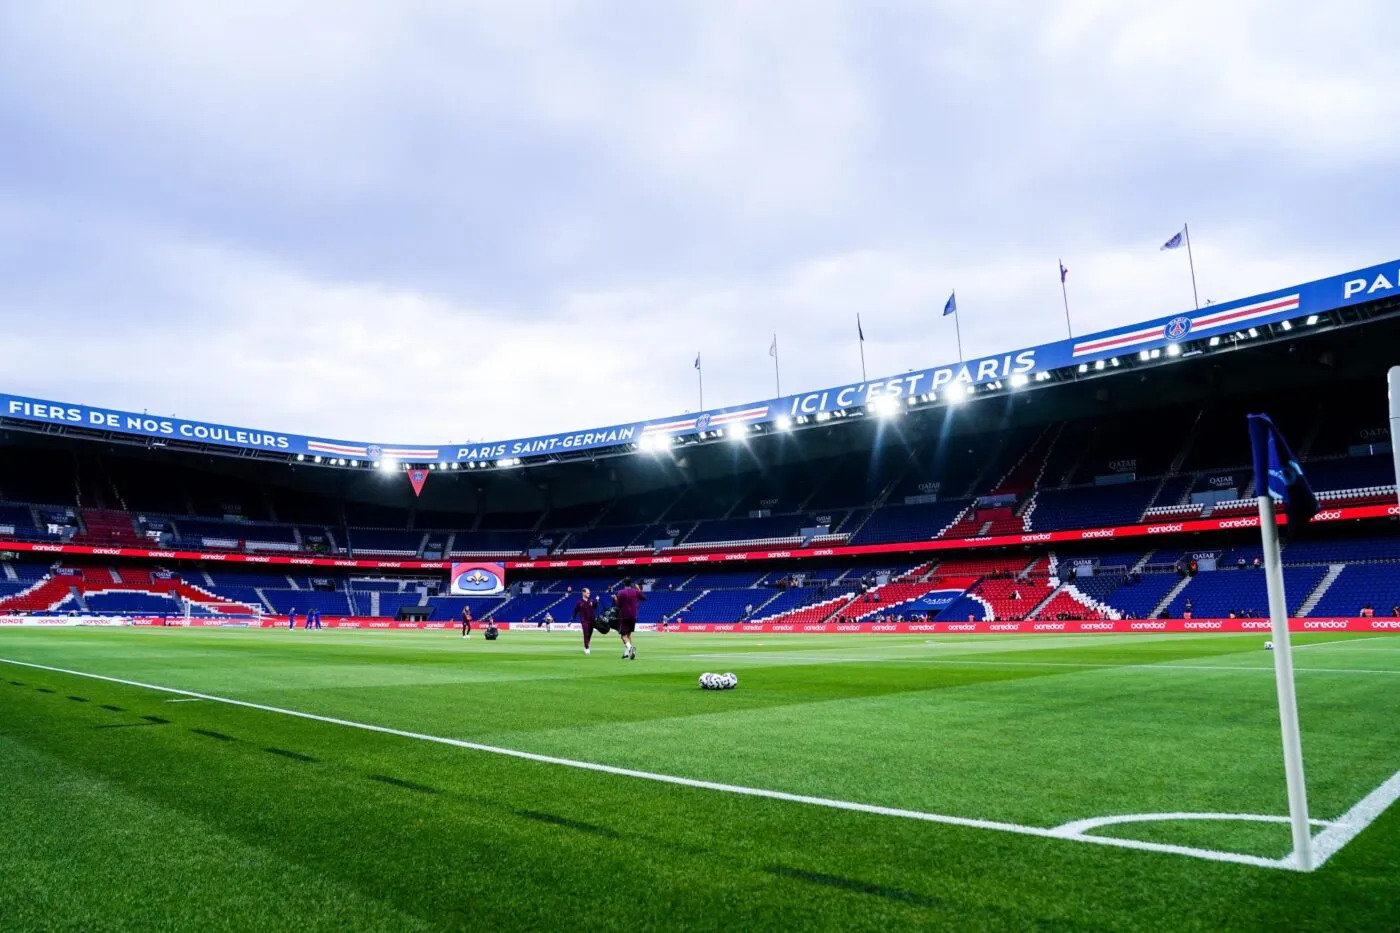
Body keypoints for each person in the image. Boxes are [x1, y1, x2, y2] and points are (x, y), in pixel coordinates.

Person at [613, 576, 645, 660]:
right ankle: (626, 653)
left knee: (623, 636)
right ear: (631, 583)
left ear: (624, 583)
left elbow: (618, 605)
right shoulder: (635, 592)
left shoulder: (621, 592)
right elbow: (644, 598)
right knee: (628, 635)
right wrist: (638, 589)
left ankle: (631, 649)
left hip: (624, 616)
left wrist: (615, 599)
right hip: (633, 616)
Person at [572, 587, 599, 654]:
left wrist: (597, 601)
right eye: (588, 593)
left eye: (589, 593)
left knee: (589, 634)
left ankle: (586, 645)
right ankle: (587, 647)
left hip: (592, 620)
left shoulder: (591, 601)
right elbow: (575, 611)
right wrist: (571, 619)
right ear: (583, 593)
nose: (589, 594)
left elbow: (595, 607)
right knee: (586, 633)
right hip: (584, 620)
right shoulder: (579, 602)